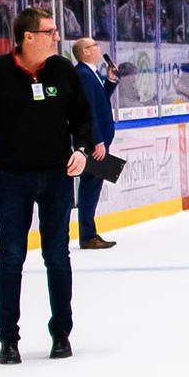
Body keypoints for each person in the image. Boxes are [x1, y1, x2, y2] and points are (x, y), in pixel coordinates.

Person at [0, 6, 93, 365]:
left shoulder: (63, 70)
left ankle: (62, 333)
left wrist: (81, 149)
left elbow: (83, 118)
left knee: (57, 255)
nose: (57, 36)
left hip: (56, 178)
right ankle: (8, 339)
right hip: (13, 180)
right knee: (11, 257)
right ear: (28, 37)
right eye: (50, 31)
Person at [71, 37, 120, 250]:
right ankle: (88, 235)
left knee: (93, 184)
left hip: (97, 139)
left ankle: (89, 233)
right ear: (85, 52)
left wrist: (109, 82)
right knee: (90, 186)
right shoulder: (82, 74)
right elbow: (87, 110)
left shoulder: (91, 73)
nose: (99, 48)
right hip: (93, 142)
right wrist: (97, 140)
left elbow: (99, 101)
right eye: (94, 46)